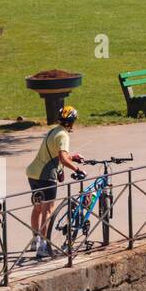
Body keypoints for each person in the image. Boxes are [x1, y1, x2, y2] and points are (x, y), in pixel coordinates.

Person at [26, 106, 86, 257]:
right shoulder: (64, 136)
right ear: (72, 122)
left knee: (38, 208)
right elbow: (62, 158)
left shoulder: (54, 131)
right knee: (48, 209)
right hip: (46, 176)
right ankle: (43, 246)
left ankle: (35, 240)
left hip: (33, 174)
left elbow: (56, 154)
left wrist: (73, 157)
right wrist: (77, 169)